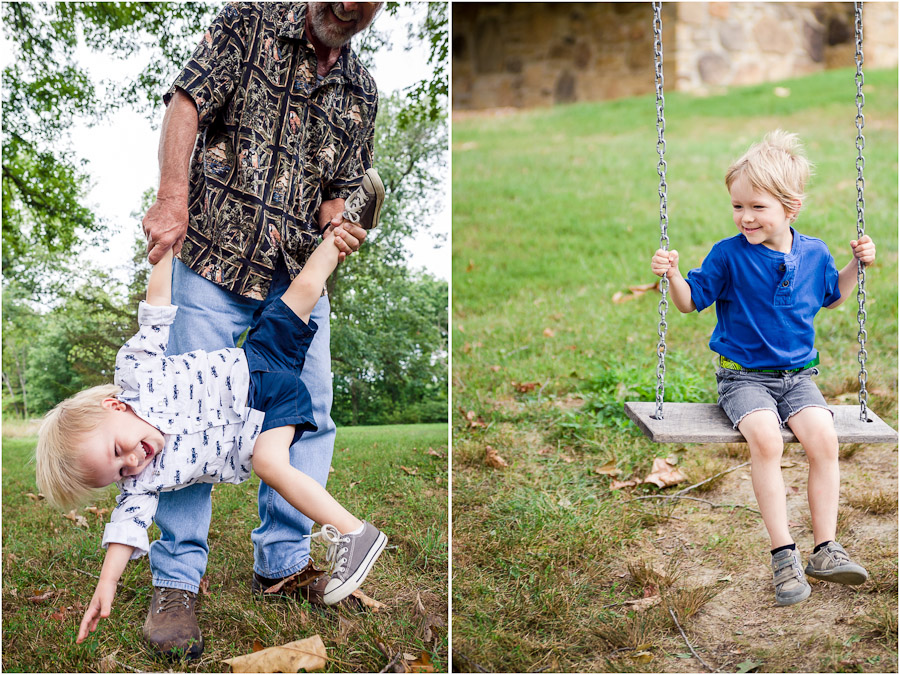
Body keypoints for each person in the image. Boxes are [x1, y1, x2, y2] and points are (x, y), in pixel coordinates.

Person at [35, 174, 387, 647]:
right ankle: (353, 531)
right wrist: (107, 583)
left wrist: (167, 255)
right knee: (269, 462)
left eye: (120, 449)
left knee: (304, 287)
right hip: (264, 412)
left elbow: (157, 310)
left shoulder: (136, 375)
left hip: (256, 361)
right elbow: (124, 529)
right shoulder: (143, 482)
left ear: (115, 405)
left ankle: (344, 223)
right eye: (118, 472)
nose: (133, 462)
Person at [137, 2, 383, 656]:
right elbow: (187, 101)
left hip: (295, 271)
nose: (349, 8)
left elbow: (339, 190)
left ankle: (283, 563)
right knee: (188, 416)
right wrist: (171, 195)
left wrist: (342, 221)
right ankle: (177, 581)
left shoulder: (361, 92)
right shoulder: (249, 21)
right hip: (217, 251)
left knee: (311, 413)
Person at [650, 130, 875, 607]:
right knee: (767, 440)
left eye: (757, 207)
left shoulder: (812, 252)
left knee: (824, 439)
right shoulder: (728, 254)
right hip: (743, 378)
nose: (745, 217)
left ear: (790, 208)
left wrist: (858, 266)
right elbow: (690, 304)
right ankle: (783, 553)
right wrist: (671, 274)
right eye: (737, 207)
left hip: (799, 379)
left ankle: (825, 549)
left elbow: (833, 296)